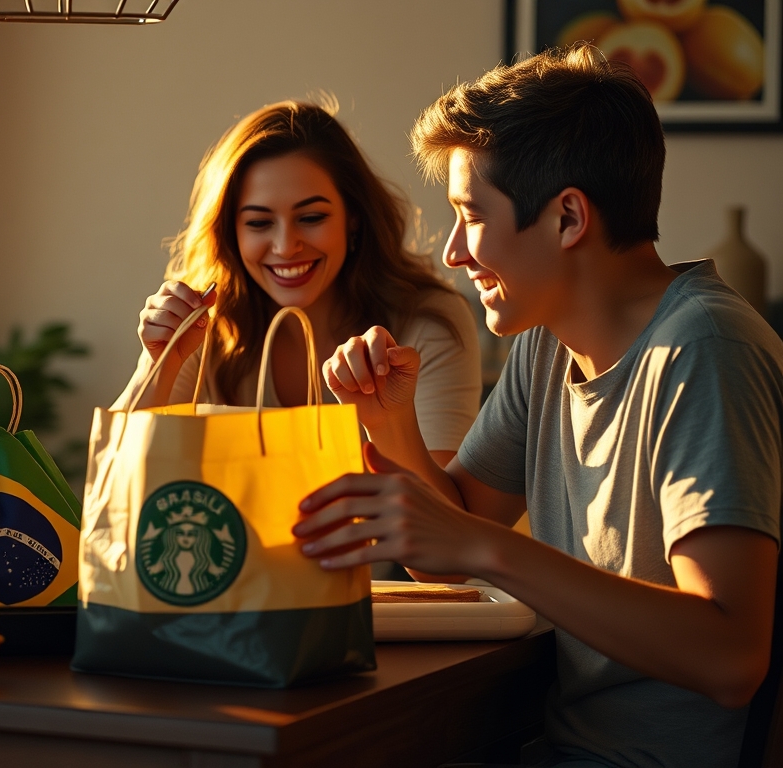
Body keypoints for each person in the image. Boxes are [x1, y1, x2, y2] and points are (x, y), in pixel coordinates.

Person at [299, 45, 781, 767]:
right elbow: (450, 553)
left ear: (566, 218)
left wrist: (488, 549)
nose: (455, 252)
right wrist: (391, 419)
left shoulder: (703, 350)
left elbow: (729, 657)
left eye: (470, 215)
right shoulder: (547, 343)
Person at [115, 100, 478, 460]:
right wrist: (158, 364)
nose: (287, 247)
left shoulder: (428, 323)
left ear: (353, 217)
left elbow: (440, 511)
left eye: (311, 217)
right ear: (230, 233)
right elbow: (114, 476)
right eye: (259, 223)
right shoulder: (205, 328)